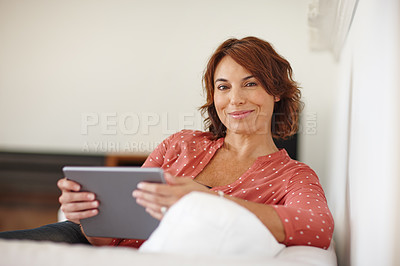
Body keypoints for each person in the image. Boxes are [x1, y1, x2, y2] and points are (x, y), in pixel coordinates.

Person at [1, 36, 334, 250]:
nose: (235, 99)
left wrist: (208, 200)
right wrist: (87, 215)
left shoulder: (292, 176)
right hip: (90, 246)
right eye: (223, 87)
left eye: (250, 83)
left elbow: (318, 229)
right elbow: (108, 238)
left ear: (276, 91)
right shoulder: (181, 145)